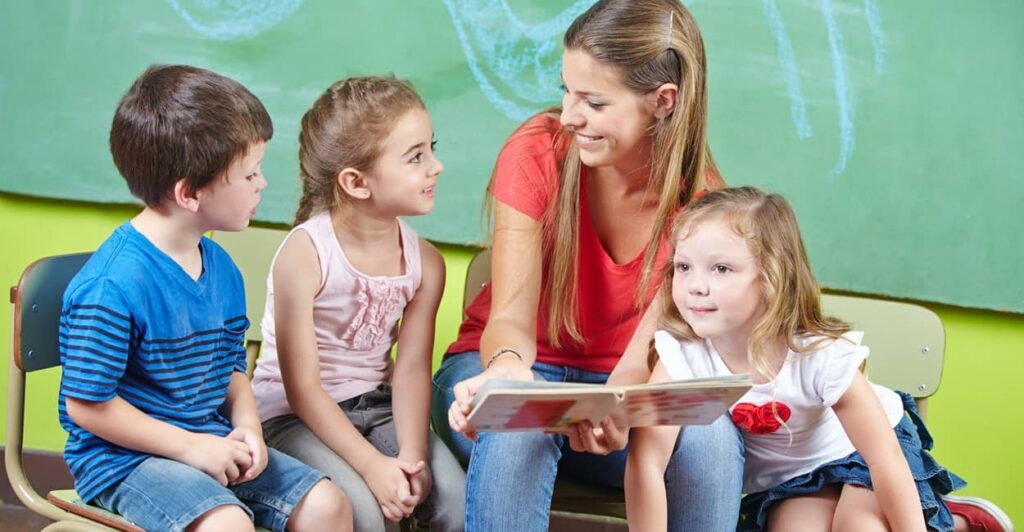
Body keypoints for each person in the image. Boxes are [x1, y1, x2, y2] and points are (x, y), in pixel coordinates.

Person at [434, 1, 742, 530]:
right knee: (519, 423)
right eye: (566, 91)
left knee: (712, 439)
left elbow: (651, 353)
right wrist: (508, 375)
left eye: (594, 102)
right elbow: (507, 318)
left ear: (662, 102)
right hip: (503, 369)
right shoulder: (537, 151)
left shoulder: (702, 202)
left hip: (618, 392)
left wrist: (616, 406)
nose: (570, 114)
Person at [58, 64, 351, 532]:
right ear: (190, 194)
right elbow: (87, 406)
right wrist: (192, 448)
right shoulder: (112, 286)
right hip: (123, 462)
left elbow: (231, 366)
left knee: (328, 505)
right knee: (227, 524)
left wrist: (248, 427)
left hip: (209, 439)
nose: (263, 184)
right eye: (250, 174)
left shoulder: (220, 266)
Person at [626, 186, 1006, 532]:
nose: (696, 285)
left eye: (721, 269)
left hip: (861, 454)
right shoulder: (681, 356)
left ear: (772, 277)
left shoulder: (816, 354)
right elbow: (647, 464)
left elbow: (885, 460)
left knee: (860, 528)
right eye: (683, 266)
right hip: (795, 477)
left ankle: (951, 522)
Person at [251, 76, 465, 532]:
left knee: (456, 502)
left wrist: (410, 456)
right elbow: (302, 388)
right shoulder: (304, 255)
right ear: (356, 182)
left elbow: (409, 369)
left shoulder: (426, 262)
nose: (436, 166)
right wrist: (372, 466)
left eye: (431, 148)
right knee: (365, 514)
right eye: (416, 156)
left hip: (380, 408)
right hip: (291, 418)